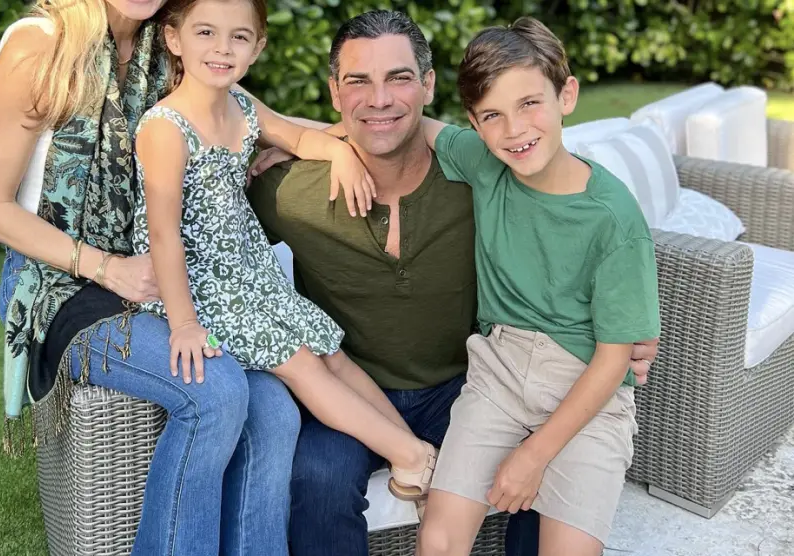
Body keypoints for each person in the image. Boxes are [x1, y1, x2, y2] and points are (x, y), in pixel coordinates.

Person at [244, 10, 658, 556]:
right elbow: (213, 141)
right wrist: (315, 140)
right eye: (358, 82)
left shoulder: (483, 173)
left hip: (463, 384)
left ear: (428, 85)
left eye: (398, 78)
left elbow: (567, 216)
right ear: (335, 92)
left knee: (543, 478)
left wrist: (618, 338)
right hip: (352, 389)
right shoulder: (287, 189)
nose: (379, 99)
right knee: (316, 477)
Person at [0, 1, 309, 553]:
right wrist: (106, 267)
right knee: (217, 392)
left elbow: (271, 123)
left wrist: (406, 129)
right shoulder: (41, 44)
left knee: (274, 410)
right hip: (61, 282)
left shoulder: (169, 44)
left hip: (159, 272)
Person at [134, 0, 440, 496]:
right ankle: (414, 456)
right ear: (174, 39)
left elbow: (297, 135)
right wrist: (184, 323)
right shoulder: (166, 127)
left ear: (257, 48)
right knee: (301, 363)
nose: (222, 49)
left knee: (331, 351)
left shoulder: (239, 105)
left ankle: (407, 451)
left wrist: (339, 150)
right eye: (206, 33)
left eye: (238, 37)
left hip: (249, 272)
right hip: (201, 284)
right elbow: (163, 234)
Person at [414, 17, 661, 556]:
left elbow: (616, 358)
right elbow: (410, 124)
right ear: (475, 124)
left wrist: (534, 456)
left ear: (566, 95)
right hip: (499, 373)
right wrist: (319, 141)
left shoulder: (613, 218)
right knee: (438, 538)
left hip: (589, 389)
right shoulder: (485, 163)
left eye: (530, 104)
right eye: (492, 116)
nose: (514, 130)